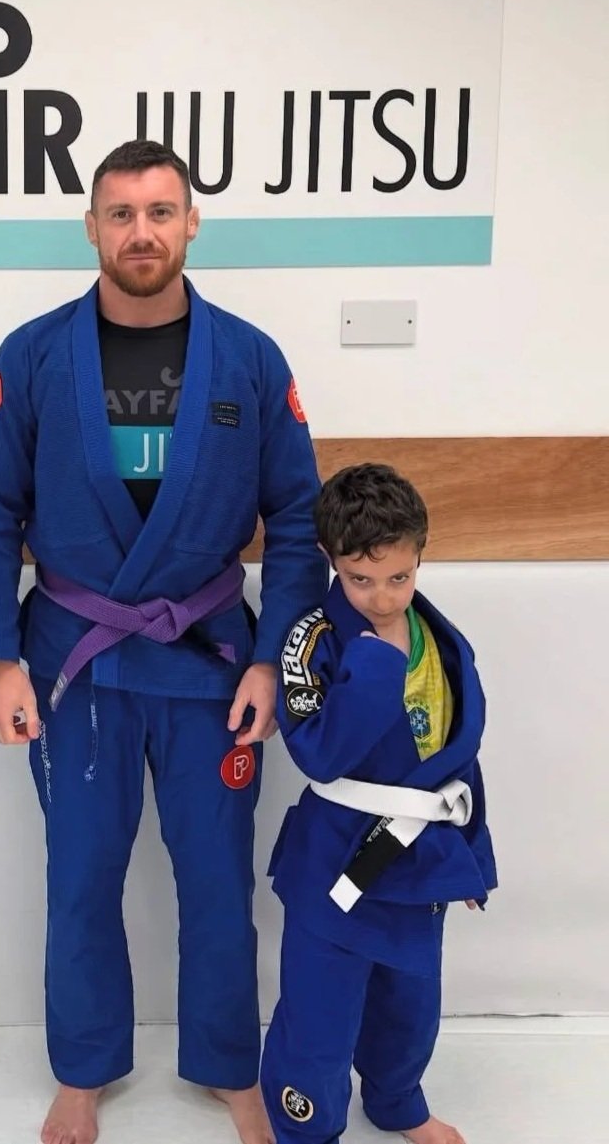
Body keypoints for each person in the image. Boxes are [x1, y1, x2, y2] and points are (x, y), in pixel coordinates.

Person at [0, 139, 327, 1144]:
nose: (141, 232)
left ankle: (226, 1062)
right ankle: (82, 1067)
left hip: (210, 657)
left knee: (215, 877)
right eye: (120, 214)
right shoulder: (30, 354)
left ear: (191, 221)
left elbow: (295, 518)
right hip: (74, 658)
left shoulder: (248, 357)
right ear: (90, 226)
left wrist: (268, 657)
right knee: (79, 874)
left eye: (160, 211)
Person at [261, 464, 497, 1144]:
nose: (383, 597)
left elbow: (459, 763)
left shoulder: (439, 639)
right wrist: (372, 666)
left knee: (410, 1004)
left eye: (399, 577)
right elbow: (320, 754)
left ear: (420, 553)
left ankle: (397, 1103)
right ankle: (306, 1128)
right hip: (338, 859)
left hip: (422, 861)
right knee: (319, 1015)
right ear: (332, 562)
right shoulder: (313, 640)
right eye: (361, 580)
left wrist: (473, 856)